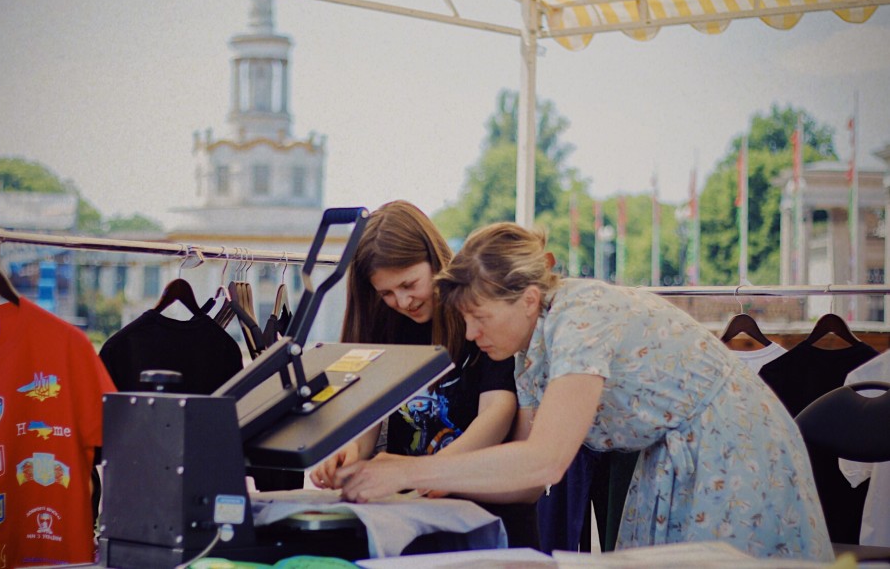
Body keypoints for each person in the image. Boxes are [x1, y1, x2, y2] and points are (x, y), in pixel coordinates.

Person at [335, 222, 834, 561]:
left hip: (731, 448)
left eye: (478, 317)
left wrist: (410, 469)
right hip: (667, 463)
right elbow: (528, 482)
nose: (468, 334)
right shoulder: (529, 358)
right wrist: (425, 486)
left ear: (528, 299)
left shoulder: (582, 313)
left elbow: (544, 461)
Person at [309, 201, 539, 548]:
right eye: (386, 293)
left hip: (487, 522)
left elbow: (497, 413)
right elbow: (367, 418)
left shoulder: (479, 318)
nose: (402, 301)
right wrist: (349, 454)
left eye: (409, 284)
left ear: (435, 260)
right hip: (410, 521)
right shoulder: (386, 327)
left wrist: (428, 473)